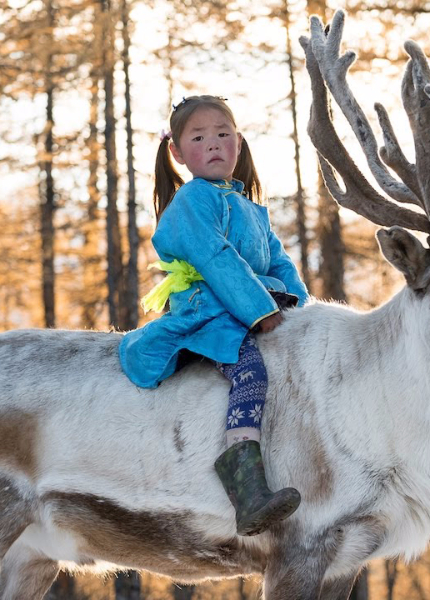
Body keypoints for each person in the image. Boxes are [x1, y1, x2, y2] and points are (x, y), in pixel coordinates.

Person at [119, 95, 309, 536]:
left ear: (238, 144)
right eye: (200, 137)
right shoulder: (192, 200)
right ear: (178, 153)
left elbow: (278, 265)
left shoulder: (248, 206)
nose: (214, 144)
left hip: (246, 307)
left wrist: (304, 313)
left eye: (223, 134)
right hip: (212, 313)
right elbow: (215, 257)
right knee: (251, 373)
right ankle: (247, 490)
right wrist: (260, 312)